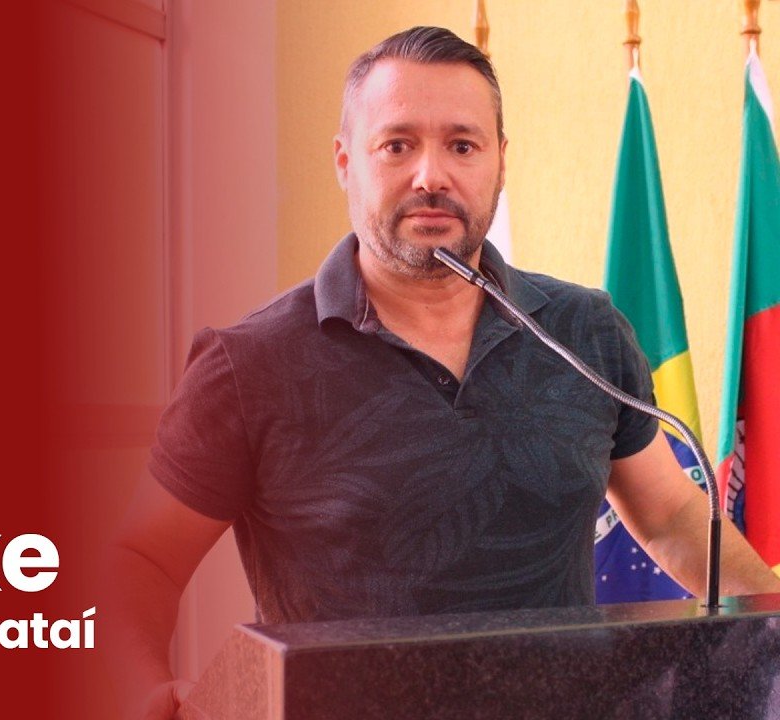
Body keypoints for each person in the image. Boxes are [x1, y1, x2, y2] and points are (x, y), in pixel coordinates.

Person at [107, 25, 780, 720]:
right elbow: (142, 561)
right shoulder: (248, 363)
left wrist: (774, 632)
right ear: (345, 161)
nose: (431, 175)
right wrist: (144, 690)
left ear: (499, 162)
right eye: (397, 145)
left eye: (462, 145)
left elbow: (671, 517)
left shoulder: (585, 331)